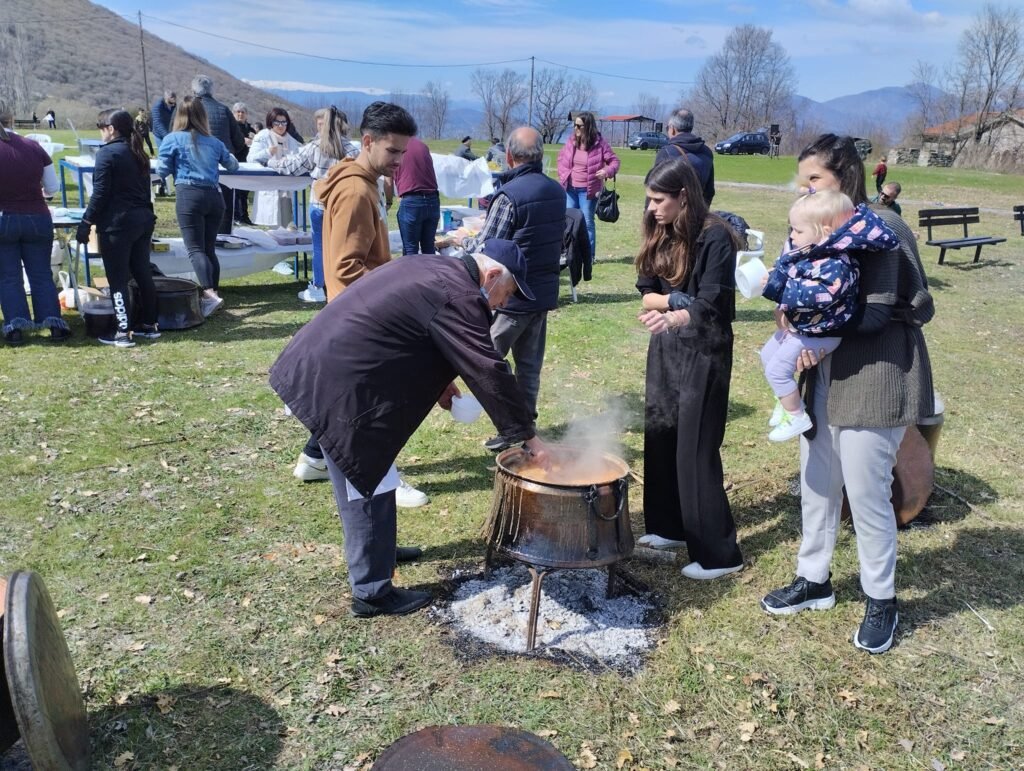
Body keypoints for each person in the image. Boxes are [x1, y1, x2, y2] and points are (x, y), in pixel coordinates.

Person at [269, 238, 552, 617]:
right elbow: (488, 370)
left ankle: (378, 548)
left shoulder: (437, 268)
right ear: (493, 274)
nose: (503, 304)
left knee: (377, 469)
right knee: (363, 475)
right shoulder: (460, 295)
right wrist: (529, 437)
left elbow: (414, 328)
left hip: (326, 364)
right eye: (507, 294)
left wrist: (441, 384)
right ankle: (372, 590)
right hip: (342, 384)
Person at [760, 134, 935, 655]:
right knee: (818, 483)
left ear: (846, 177)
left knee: (866, 494)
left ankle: (881, 598)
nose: (805, 190)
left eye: (814, 179)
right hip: (825, 377)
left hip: (874, 374)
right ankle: (814, 579)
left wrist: (829, 325)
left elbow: (916, 303)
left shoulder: (884, 227)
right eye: (802, 182)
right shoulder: (813, 227)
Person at [291, 101, 428, 510]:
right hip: (361, 316)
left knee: (351, 402)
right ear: (367, 142)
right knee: (371, 411)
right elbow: (346, 268)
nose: (400, 161)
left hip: (359, 311)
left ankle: (314, 458)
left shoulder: (366, 183)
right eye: (393, 152)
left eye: (404, 153)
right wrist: (397, 288)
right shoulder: (354, 190)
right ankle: (383, 481)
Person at [633, 157, 743, 580]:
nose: (652, 209)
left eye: (659, 200)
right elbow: (646, 294)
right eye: (649, 200)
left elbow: (712, 304)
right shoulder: (659, 231)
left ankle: (719, 554)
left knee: (696, 449)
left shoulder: (716, 237)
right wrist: (674, 303)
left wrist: (678, 311)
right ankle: (668, 526)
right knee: (661, 434)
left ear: (683, 197)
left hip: (705, 349)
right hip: (665, 344)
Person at [452, 127, 566, 452]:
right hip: (541, 293)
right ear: (540, 156)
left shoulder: (510, 195)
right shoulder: (557, 192)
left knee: (487, 363)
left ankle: (511, 429)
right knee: (529, 368)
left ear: (511, 157)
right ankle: (526, 427)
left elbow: (487, 247)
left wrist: (462, 238)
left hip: (511, 295)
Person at [759, 190, 898, 441]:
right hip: (806, 327)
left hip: (824, 330)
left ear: (823, 231)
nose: (792, 235)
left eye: (798, 231)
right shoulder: (814, 252)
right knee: (768, 355)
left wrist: (779, 287)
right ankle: (785, 402)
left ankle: (796, 415)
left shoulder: (837, 262)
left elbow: (821, 294)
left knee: (777, 371)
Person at [77, 109, 160, 348]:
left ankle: (123, 331)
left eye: (100, 127)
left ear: (110, 129)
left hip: (118, 225)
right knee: (142, 272)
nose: (100, 131)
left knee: (118, 279)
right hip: (143, 220)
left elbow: (100, 194)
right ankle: (149, 324)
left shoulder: (107, 154)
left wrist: (86, 222)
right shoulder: (138, 152)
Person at [155, 95, 239, 317]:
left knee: (195, 249)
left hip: (189, 195)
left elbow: (162, 171)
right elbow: (233, 165)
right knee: (208, 249)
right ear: (203, 116)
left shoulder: (172, 139)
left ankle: (209, 294)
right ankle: (213, 294)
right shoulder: (214, 142)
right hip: (214, 196)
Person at [269, 106, 358, 302]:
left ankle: (318, 286)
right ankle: (342, 287)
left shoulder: (316, 147)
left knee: (319, 247)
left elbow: (290, 166)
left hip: (319, 203)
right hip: (343, 205)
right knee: (343, 247)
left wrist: (272, 162)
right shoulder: (352, 149)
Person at [0, 99, 68, 345]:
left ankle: (15, 326)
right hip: (38, 217)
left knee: (8, 277)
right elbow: (52, 188)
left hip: (4, 217)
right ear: (11, 120)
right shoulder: (34, 146)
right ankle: (54, 323)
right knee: (40, 274)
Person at [557, 111, 619, 264]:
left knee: (587, 223)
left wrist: (606, 171)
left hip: (589, 191)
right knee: (569, 221)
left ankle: (589, 256)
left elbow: (615, 162)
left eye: (579, 125)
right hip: (570, 188)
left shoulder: (599, 144)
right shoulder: (571, 141)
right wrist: (563, 173)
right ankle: (568, 253)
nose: (575, 128)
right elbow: (561, 158)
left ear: (588, 127)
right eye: (574, 125)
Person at [190, 75, 246, 233]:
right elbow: (239, 141)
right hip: (223, 167)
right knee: (224, 212)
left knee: (197, 218)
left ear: (194, 90)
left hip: (196, 169)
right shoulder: (223, 110)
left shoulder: (188, 110)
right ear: (211, 90)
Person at [248, 107, 302, 228]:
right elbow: (250, 159)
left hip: (287, 188)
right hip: (269, 186)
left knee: (289, 225)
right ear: (270, 122)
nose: (280, 125)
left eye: (284, 122)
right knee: (273, 227)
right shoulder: (262, 136)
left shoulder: (292, 141)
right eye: (277, 122)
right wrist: (268, 153)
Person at [654, 108, 715, 205]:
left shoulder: (666, 153)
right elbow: (709, 191)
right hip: (698, 213)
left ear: (672, 129)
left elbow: (655, 191)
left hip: (672, 215)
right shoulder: (707, 152)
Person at [392, 135, 440, 256]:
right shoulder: (422, 146)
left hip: (412, 201)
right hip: (432, 199)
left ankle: (412, 274)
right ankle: (431, 274)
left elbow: (388, 181)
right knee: (428, 247)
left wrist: (387, 202)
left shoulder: (396, 146)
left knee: (410, 250)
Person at [231, 102, 257, 226]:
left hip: (248, 162)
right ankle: (236, 216)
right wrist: (243, 141)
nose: (240, 114)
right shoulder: (232, 127)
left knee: (245, 191)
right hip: (236, 160)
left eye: (243, 112)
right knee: (236, 191)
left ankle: (244, 216)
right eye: (238, 112)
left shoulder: (249, 128)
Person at [151, 90, 176, 195]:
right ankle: (162, 184)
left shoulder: (175, 106)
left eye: (174, 102)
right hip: (160, 135)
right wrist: (167, 137)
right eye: (171, 102)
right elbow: (158, 123)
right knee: (164, 157)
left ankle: (177, 183)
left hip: (171, 133)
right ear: (166, 98)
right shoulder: (157, 107)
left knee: (175, 156)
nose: (173, 104)